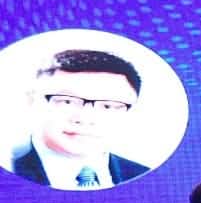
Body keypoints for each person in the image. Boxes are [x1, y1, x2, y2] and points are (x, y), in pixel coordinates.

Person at [11, 49, 149, 189]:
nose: (85, 119)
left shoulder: (144, 177)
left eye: (108, 106)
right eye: (67, 102)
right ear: (31, 100)